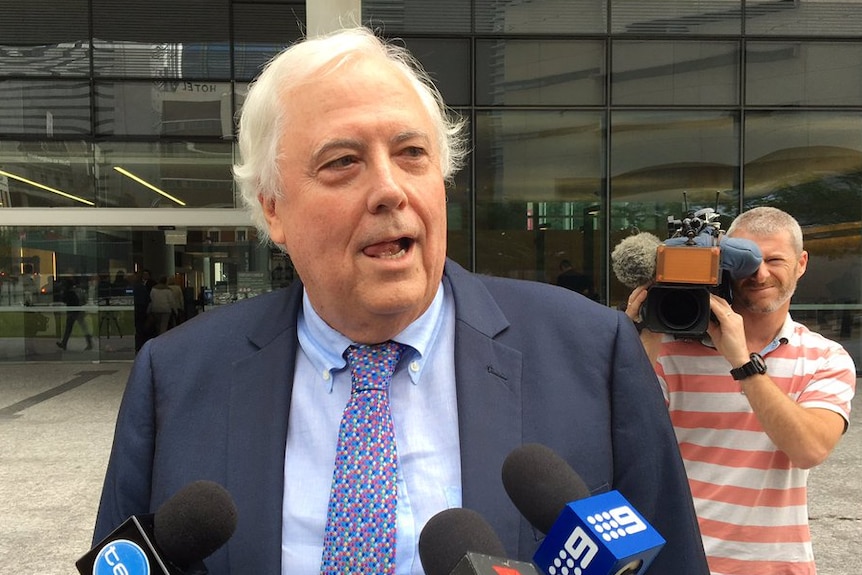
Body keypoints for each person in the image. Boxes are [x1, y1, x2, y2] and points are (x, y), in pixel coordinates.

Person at [91, 27, 709, 575]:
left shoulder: (592, 353)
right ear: (273, 208)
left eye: (412, 154)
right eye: (342, 161)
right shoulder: (173, 376)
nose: (390, 189)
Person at [623, 206, 856, 575]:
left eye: (775, 260)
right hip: (680, 562)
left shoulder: (826, 358)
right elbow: (625, 440)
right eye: (748, 263)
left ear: (801, 263)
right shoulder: (669, 351)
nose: (760, 274)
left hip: (773, 567)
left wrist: (742, 362)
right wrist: (638, 340)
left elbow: (809, 448)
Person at [55, 274, 93, 351]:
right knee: (83, 327)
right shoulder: (78, 291)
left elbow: (64, 300)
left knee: (69, 328)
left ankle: (64, 343)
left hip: (73, 312)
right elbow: (84, 300)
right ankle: (89, 343)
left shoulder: (69, 292)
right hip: (78, 311)